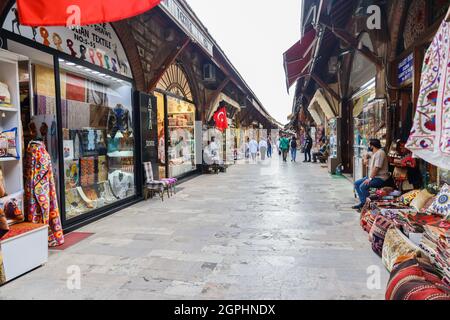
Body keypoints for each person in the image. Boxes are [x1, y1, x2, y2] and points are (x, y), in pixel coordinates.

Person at [352, 139, 390, 211]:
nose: (369, 146)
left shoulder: (380, 153)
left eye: (369, 145)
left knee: (363, 186)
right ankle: (363, 203)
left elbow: (376, 168)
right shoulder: (374, 153)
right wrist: (365, 158)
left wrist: (369, 179)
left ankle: (368, 206)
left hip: (380, 178)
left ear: (372, 146)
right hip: (373, 177)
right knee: (356, 184)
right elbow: (366, 154)